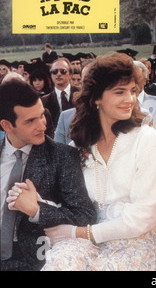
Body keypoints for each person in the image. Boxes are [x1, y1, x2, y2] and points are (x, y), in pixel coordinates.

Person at [42, 52, 156, 271]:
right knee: (60, 263)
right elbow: (69, 201)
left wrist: (80, 232)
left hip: (135, 241)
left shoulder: (147, 140)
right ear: (96, 97)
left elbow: (142, 219)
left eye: (133, 91)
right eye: (120, 92)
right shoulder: (79, 145)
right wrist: (37, 202)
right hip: (86, 240)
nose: (130, 99)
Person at [0, 79, 96, 271]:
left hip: (33, 260)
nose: (42, 126)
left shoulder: (63, 156)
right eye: (30, 121)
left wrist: (37, 211)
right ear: (7, 126)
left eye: (42, 115)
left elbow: (85, 216)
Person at [41, 57, 79, 127]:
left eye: (63, 71)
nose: (58, 74)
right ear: (51, 75)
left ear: (70, 74)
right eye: (55, 71)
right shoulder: (44, 100)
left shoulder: (81, 93)